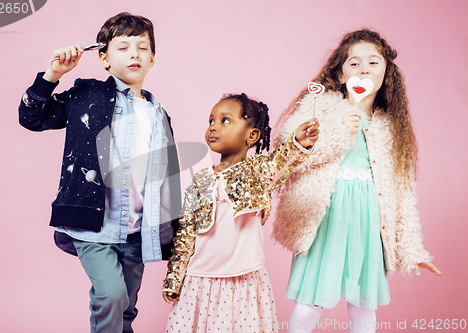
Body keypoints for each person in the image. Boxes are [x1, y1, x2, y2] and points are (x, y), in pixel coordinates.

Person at [18, 12, 181, 333]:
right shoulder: (86, 94)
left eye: (142, 47)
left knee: (126, 306)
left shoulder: (158, 112)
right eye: (123, 47)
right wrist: (52, 75)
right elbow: (32, 117)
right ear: (104, 58)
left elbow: (165, 176)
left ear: (152, 58)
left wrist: (170, 224)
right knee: (110, 294)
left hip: (138, 229)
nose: (134, 53)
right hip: (93, 226)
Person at [272, 29, 441, 333]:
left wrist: (413, 250)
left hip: (367, 220)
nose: (364, 69)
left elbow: (401, 194)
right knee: (310, 302)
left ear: (387, 71)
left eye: (373, 63)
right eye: (354, 63)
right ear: (339, 73)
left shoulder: (390, 127)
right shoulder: (320, 108)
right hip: (327, 216)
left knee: (364, 307)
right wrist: (338, 131)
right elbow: (291, 158)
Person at [162, 93, 319, 333]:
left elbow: (279, 163)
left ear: (252, 136)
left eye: (225, 120)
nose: (213, 126)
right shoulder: (201, 179)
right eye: (211, 120)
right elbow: (185, 232)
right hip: (198, 280)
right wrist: (174, 277)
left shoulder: (258, 172)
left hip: (242, 278)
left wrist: (297, 143)